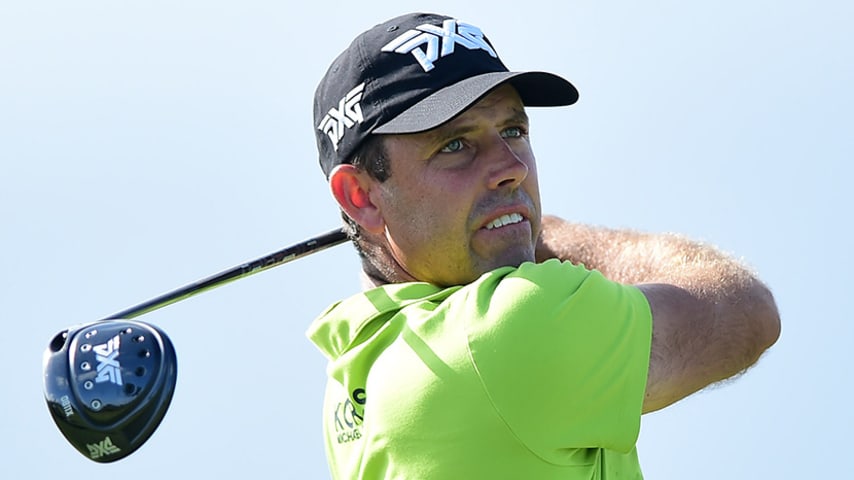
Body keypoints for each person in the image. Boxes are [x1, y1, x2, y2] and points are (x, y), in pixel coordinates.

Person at [307, 12, 780, 479]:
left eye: (514, 131)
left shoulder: (351, 376)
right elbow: (745, 310)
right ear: (361, 196)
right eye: (455, 145)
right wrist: (552, 233)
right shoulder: (507, 329)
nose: (512, 167)